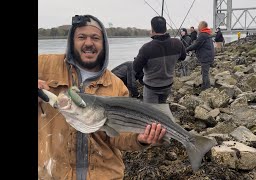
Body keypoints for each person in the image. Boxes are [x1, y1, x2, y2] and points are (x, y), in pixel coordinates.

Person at [38, 14, 166, 179]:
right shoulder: (45, 64)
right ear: (72, 41)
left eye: (95, 38)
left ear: (103, 44)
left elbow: (117, 137)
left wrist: (140, 139)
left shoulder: (116, 85)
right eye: (81, 37)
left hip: (105, 174)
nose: (89, 43)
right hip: (51, 174)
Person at [133, 16, 186, 104]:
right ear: (165, 28)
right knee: (161, 107)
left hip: (151, 88)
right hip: (168, 85)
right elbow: (182, 57)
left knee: (152, 113)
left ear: (152, 30)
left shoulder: (146, 48)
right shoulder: (177, 43)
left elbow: (135, 67)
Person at [186, 21, 214, 90]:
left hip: (206, 57)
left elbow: (196, 45)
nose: (197, 26)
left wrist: (186, 49)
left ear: (202, 26)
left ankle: (207, 88)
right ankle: (204, 85)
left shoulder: (203, 34)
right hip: (208, 56)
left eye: (199, 25)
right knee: (204, 72)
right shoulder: (206, 33)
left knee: (205, 73)